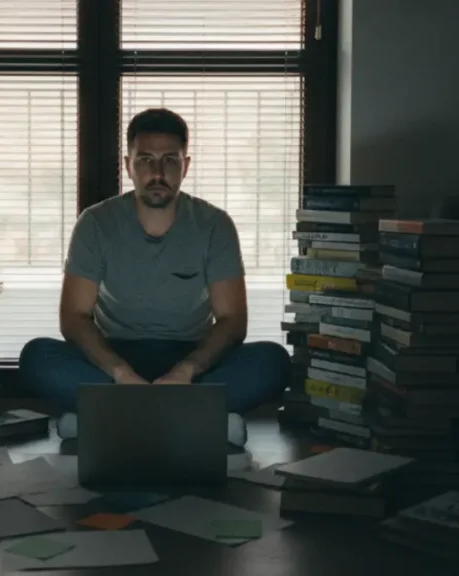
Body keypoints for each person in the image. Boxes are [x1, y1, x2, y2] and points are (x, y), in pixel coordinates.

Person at [18, 108, 290, 444]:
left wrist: (185, 371)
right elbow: (74, 317)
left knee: (273, 362)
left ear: (185, 166)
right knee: (36, 357)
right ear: (128, 164)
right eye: (145, 159)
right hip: (114, 357)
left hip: (191, 359)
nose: (157, 172)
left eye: (170, 160)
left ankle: (108, 418)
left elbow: (233, 321)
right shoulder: (96, 223)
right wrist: (120, 373)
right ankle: (193, 418)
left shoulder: (215, 225)